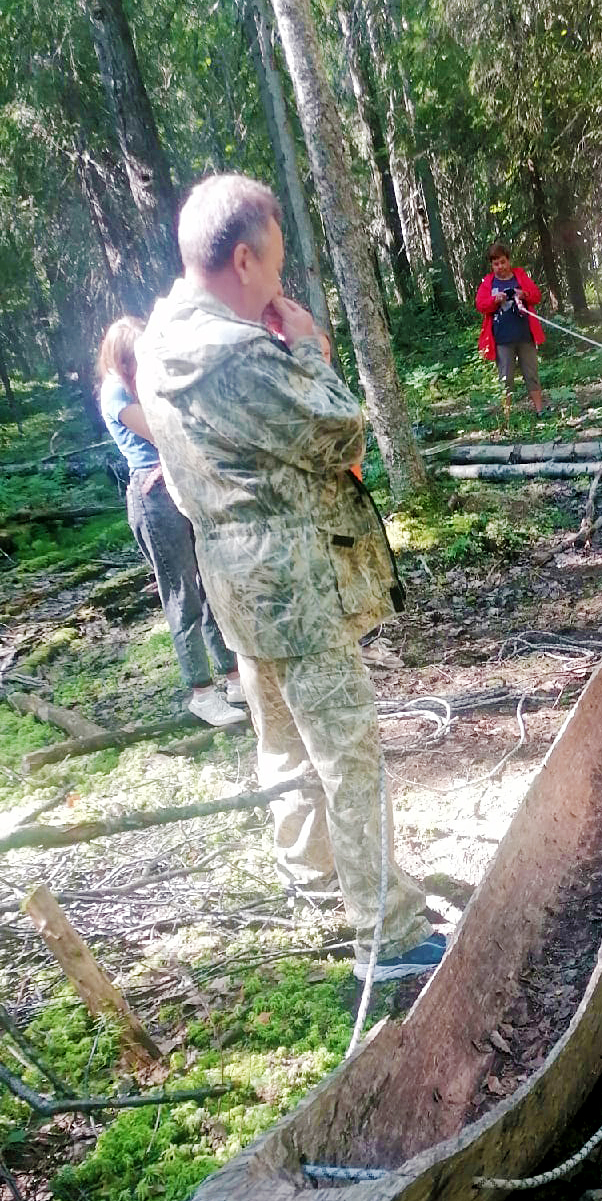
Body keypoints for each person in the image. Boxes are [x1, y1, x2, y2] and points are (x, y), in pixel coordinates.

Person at [135, 173, 444, 984]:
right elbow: (338, 423)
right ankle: (390, 932)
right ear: (242, 259)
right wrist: (309, 346)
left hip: (232, 577)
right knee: (347, 753)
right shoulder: (236, 358)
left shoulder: (159, 339)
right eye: (273, 266)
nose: (279, 283)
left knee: (279, 742)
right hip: (294, 581)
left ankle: (312, 885)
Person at [96, 317, 246, 730]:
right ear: (124, 357)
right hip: (154, 500)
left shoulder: (146, 383)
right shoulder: (116, 392)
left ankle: (233, 678)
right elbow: (166, 432)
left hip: (182, 487)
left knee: (211, 586)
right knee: (183, 596)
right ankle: (201, 692)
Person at [474, 245, 546, 416]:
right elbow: (480, 305)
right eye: (496, 264)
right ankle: (507, 416)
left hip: (525, 335)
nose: (501, 266)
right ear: (492, 266)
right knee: (506, 378)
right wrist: (494, 300)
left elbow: (536, 295)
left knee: (532, 374)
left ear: (508, 260)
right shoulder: (488, 283)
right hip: (502, 339)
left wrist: (524, 294)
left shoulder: (520, 276)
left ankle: (540, 410)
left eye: (503, 262)